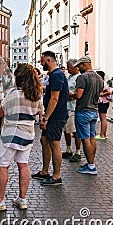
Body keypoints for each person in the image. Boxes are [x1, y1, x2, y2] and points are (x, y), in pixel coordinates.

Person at [0, 64, 43, 211]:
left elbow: (2, 113)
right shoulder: (36, 94)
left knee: (3, 165)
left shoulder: (13, 93)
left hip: (11, 133)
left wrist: (0, 105)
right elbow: (39, 112)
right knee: (23, 164)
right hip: (28, 133)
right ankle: (22, 199)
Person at [32, 50, 68, 186]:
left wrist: (45, 118)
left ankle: (56, 176)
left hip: (56, 115)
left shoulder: (56, 75)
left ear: (48, 60)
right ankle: (45, 171)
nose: (41, 63)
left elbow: (54, 98)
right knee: (44, 140)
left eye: (42, 61)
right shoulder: (54, 75)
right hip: (53, 114)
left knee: (54, 143)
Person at [72, 56, 103, 175]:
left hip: (83, 110)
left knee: (85, 140)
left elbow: (78, 95)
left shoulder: (82, 77)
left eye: (80, 65)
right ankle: (91, 163)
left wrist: (71, 95)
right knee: (91, 138)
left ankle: (91, 166)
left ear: (85, 64)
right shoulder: (99, 77)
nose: (79, 68)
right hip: (94, 111)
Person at [62, 59, 82, 163]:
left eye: (69, 67)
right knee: (66, 130)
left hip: (73, 107)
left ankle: (78, 152)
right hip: (67, 106)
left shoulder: (79, 78)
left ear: (76, 67)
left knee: (74, 131)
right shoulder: (69, 77)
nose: (68, 69)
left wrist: (70, 95)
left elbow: (78, 93)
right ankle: (68, 149)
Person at [96, 71, 112, 140]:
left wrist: (101, 94)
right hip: (103, 102)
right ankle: (103, 134)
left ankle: (102, 135)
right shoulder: (102, 82)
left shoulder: (102, 82)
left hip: (103, 102)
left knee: (103, 118)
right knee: (103, 118)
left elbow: (109, 91)